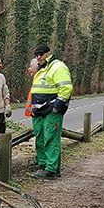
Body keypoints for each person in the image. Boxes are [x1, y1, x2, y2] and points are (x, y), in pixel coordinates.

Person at [30, 44, 73, 179]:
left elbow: (66, 88)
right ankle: (43, 164)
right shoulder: (42, 68)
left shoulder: (57, 67)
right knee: (41, 137)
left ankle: (51, 169)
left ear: (48, 53)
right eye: (36, 55)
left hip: (51, 110)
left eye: (40, 54)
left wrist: (57, 106)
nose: (38, 57)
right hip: (39, 110)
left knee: (51, 138)